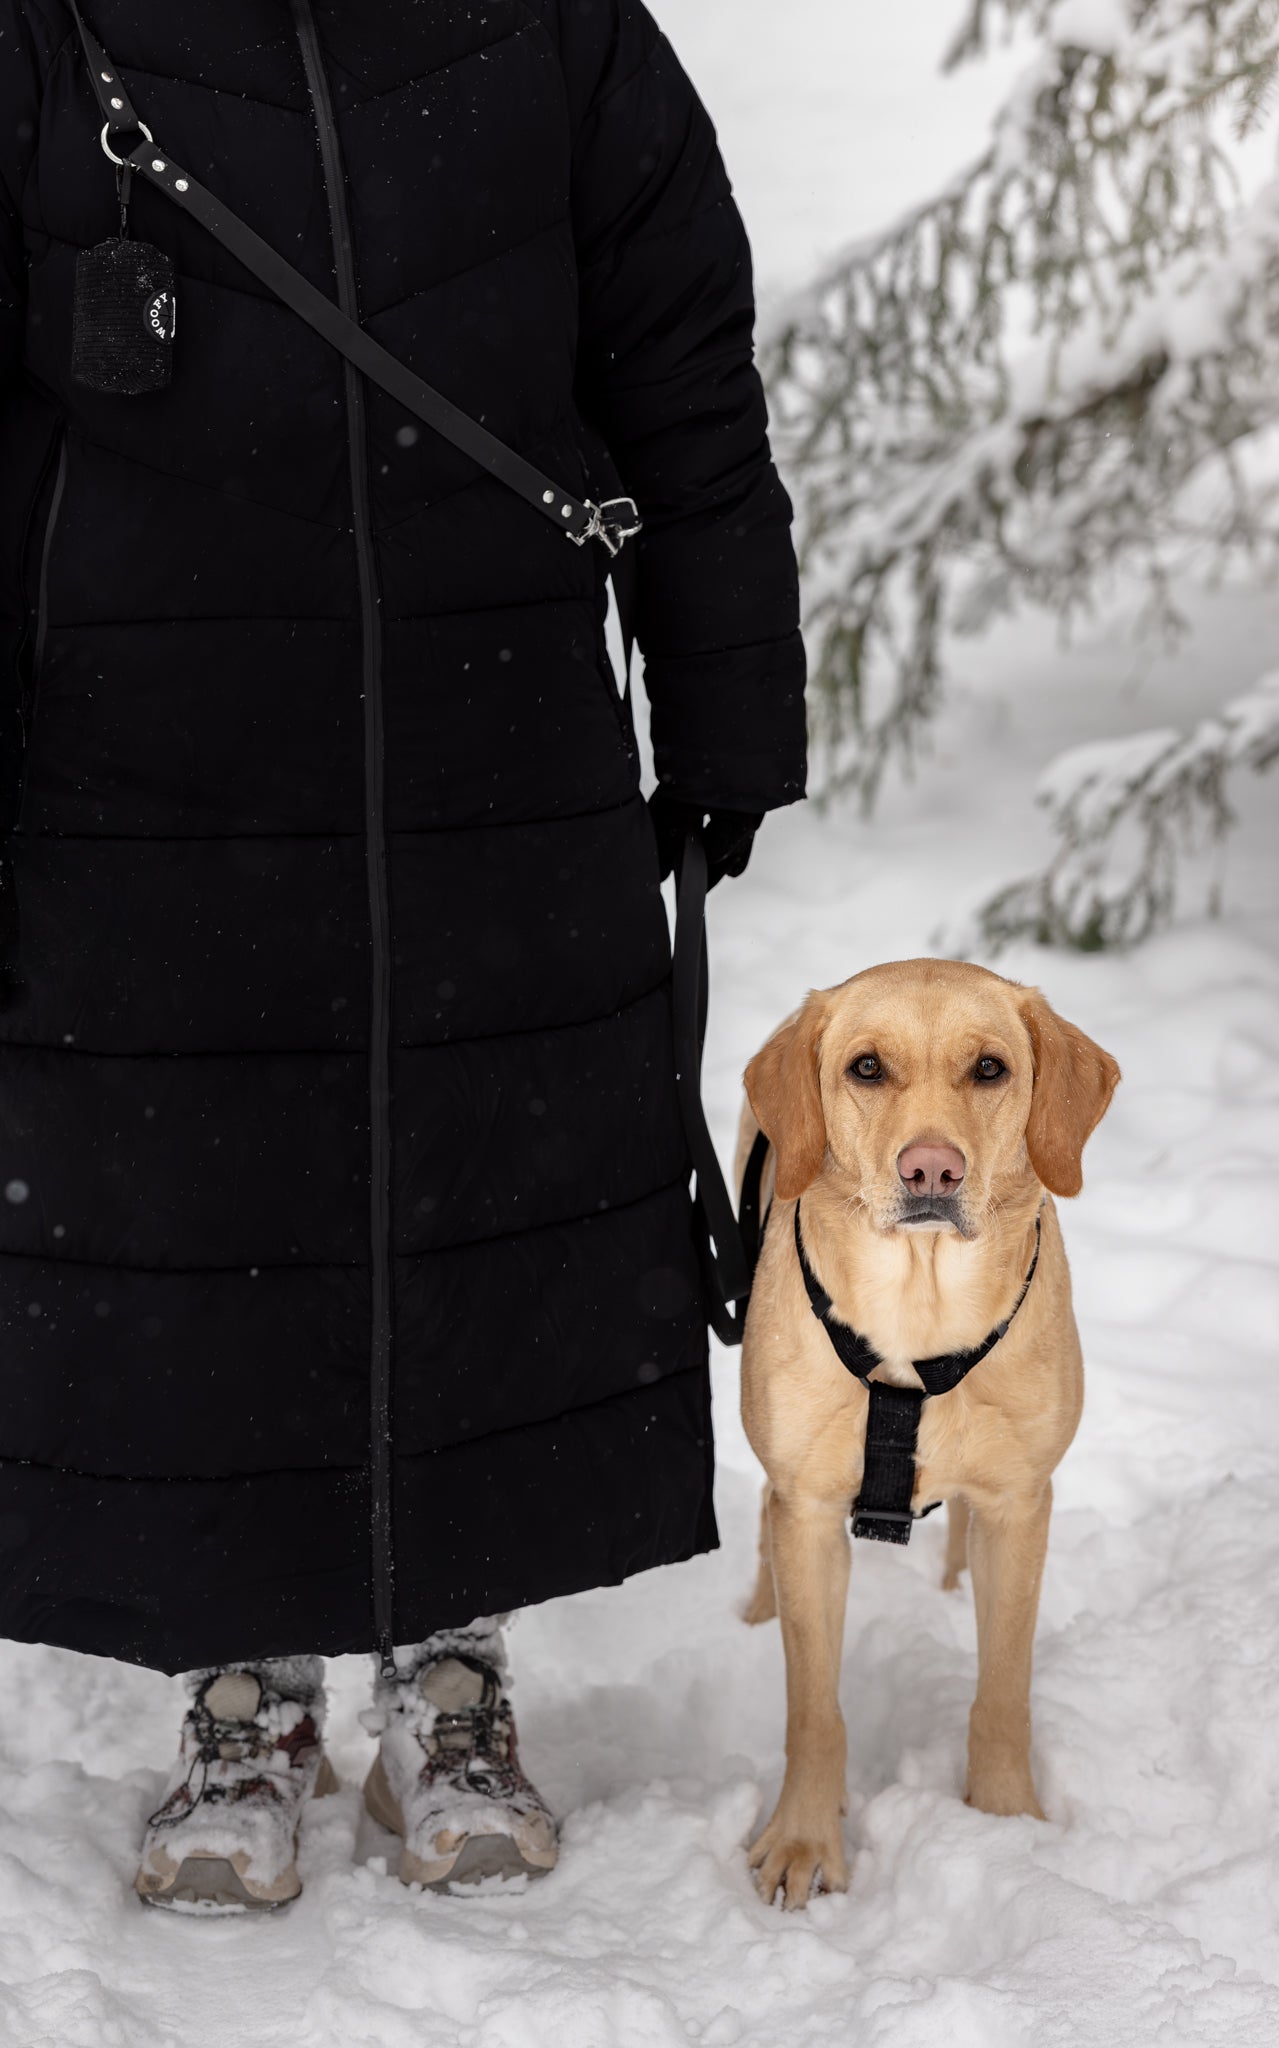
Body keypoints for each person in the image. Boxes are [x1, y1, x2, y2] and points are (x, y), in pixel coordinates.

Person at [0, 0, 806, 1908]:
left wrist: (725, 708)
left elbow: (682, 358)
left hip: (492, 726)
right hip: (141, 749)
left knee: (485, 1190)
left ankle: (452, 1666)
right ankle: (245, 1690)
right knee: (208, 1218)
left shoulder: (555, 28)